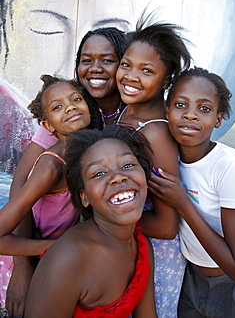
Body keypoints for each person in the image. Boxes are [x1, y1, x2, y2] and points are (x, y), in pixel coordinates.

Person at [5, 26, 125, 317]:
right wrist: (24, 264)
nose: (95, 67)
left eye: (107, 59)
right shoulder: (56, 148)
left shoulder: (124, 113)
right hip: (48, 249)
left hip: (79, 251)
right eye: (86, 59)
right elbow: (21, 188)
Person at [24, 125, 157, 318]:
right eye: (98, 174)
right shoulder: (69, 259)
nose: (118, 177)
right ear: (84, 197)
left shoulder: (143, 247)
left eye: (127, 165)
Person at [148, 67, 235, 318]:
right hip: (188, 277)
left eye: (204, 109)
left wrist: (183, 204)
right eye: (181, 105)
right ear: (167, 111)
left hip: (226, 286)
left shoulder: (229, 166)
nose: (190, 115)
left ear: (218, 118)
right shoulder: (169, 158)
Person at [0, 74, 102, 310]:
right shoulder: (51, 166)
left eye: (76, 99)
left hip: (55, 258)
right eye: (58, 107)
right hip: (30, 256)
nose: (70, 108)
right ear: (47, 126)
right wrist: (53, 247)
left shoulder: (87, 150)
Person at [115, 13, 191, 317]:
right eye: (126, 65)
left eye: (147, 70)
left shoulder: (156, 133)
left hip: (157, 261)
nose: (131, 76)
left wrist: (105, 218)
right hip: (131, 247)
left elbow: (166, 225)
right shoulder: (128, 111)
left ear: (166, 79)